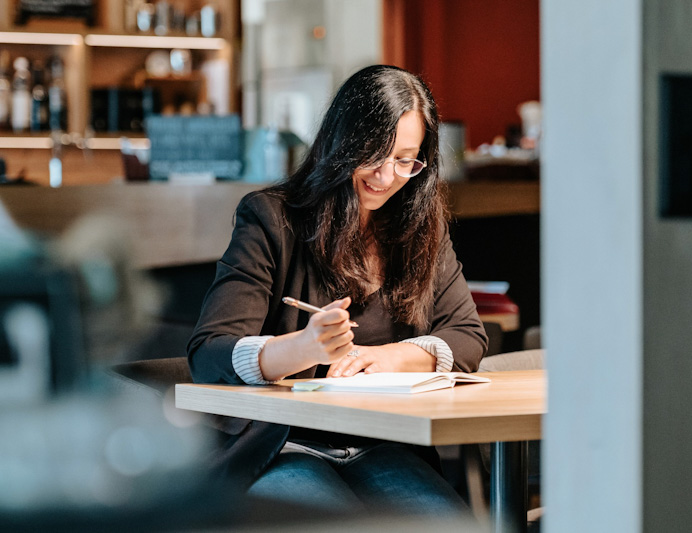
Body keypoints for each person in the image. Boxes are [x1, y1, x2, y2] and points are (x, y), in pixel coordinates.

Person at [187, 65, 488, 516]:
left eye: (406, 159)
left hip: (385, 442)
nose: (387, 177)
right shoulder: (272, 219)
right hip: (285, 444)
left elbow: (467, 335)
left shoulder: (419, 227)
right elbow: (208, 354)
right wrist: (303, 347)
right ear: (343, 142)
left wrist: (389, 357)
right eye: (375, 154)